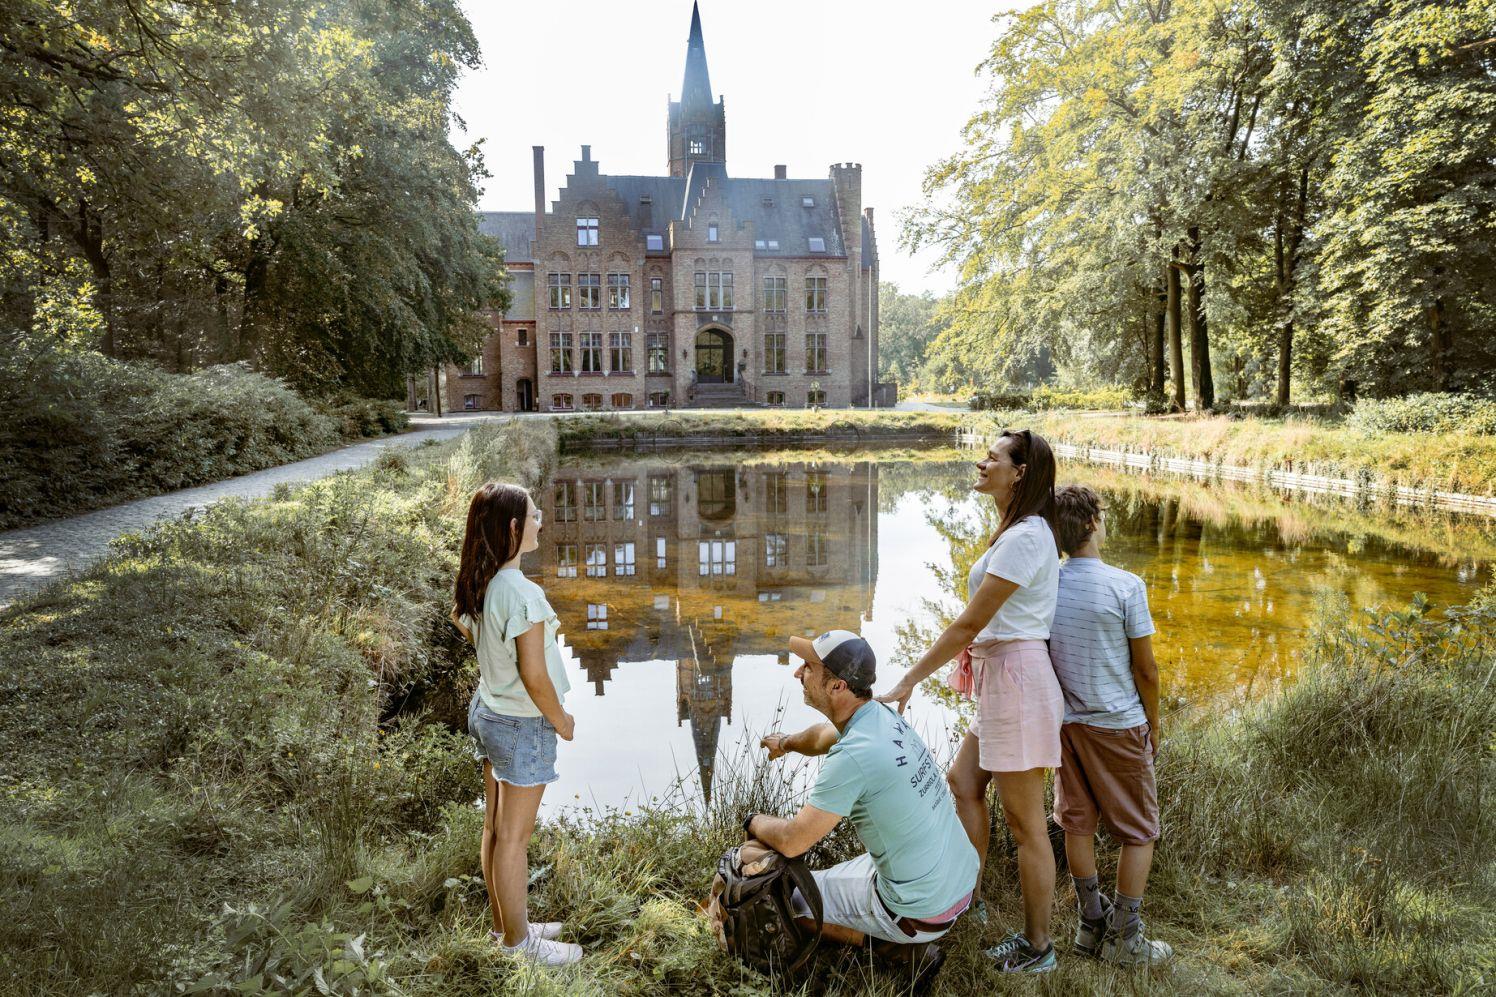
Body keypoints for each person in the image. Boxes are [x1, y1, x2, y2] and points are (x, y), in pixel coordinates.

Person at [878, 428, 1064, 973]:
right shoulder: (1013, 531)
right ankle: (971, 900)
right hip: (1002, 681)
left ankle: (1038, 947)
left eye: (994, 457)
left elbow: (970, 624)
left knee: (1026, 824)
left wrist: (910, 677)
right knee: (962, 785)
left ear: (1020, 472)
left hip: (1018, 684)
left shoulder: (1029, 536)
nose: (982, 463)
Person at [750, 630, 978, 989]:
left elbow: (793, 841)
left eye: (808, 667)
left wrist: (752, 822)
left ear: (838, 686)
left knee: (787, 902)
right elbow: (822, 736)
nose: (798, 673)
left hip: (920, 908)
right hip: (957, 882)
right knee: (820, 879)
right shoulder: (878, 717)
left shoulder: (854, 755)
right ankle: (898, 931)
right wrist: (787, 743)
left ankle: (900, 950)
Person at [450, 482, 582, 966]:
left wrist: (494, 664)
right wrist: (561, 720)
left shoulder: (481, 580)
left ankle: (506, 924)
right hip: (522, 725)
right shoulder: (523, 593)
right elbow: (535, 674)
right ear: (512, 528)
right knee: (515, 840)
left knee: (495, 829)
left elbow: (462, 622)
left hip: (488, 712)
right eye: (534, 514)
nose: (541, 520)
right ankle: (519, 946)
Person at [1049, 485, 1172, 964]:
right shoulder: (1126, 585)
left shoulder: (1047, 585)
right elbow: (1146, 670)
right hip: (1118, 725)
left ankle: (1089, 924)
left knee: (1076, 822)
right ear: (1093, 524)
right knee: (1139, 830)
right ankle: (1125, 939)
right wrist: (1154, 724)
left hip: (1066, 727)